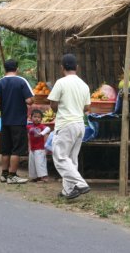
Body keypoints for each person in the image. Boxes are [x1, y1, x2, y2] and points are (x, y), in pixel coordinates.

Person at [47, 53, 91, 199]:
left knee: (60, 157)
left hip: (66, 124)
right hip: (80, 125)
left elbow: (53, 104)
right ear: (76, 67)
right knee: (71, 159)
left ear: (62, 68)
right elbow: (86, 107)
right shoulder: (84, 85)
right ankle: (68, 190)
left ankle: (80, 183)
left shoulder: (61, 82)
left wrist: (60, 109)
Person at [0, 59, 34, 184]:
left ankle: (4, 174)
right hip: (19, 121)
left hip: (5, 122)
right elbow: (29, 100)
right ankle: (12, 175)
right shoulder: (21, 81)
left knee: (5, 149)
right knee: (17, 149)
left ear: (4, 69)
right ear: (17, 69)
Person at [27, 109, 51, 182]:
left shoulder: (41, 126)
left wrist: (41, 134)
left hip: (40, 149)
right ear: (31, 118)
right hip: (32, 148)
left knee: (40, 163)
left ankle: (44, 177)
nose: (37, 118)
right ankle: (36, 177)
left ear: (41, 119)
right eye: (35, 116)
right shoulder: (29, 126)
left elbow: (48, 128)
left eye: (39, 117)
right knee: (33, 163)